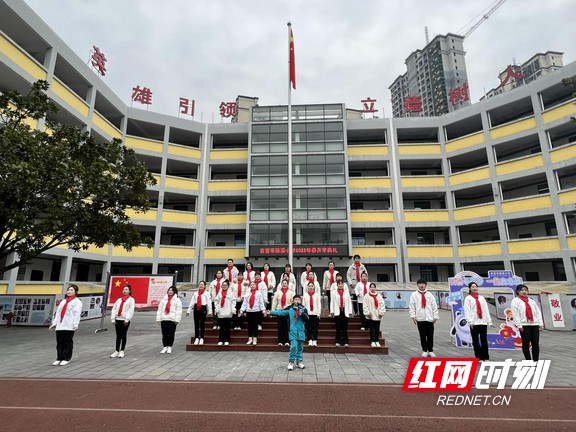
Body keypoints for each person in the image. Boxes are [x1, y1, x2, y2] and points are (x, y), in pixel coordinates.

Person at [268, 295, 309, 370]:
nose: (297, 301)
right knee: (293, 346)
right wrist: (271, 312)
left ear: (300, 301)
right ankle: (291, 362)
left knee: (300, 348)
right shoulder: (290, 309)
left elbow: (307, 318)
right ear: (293, 301)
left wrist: (301, 313)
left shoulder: (303, 309)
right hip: (293, 331)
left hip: (301, 331)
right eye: (295, 299)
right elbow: (281, 312)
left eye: (298, 300)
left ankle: (299, 361)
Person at [49, 284, 83, 366]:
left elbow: (77, 313)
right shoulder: (63, 301)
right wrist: (54, 323)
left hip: (69, 325)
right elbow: (58, 313)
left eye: (71, 290)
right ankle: (59, 358)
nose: (69, 291)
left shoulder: (77, 302)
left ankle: (66, 358)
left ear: (75, 292)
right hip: (60, 325)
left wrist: (76, 323)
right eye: (68, 290)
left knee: (67, 342)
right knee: (59, 342)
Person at [511, 284, 544, 361]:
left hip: (534, 324)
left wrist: (540, 323)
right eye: (522, 290)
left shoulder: (531, 301)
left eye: (526, 290)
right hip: (524, 325)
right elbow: (515, 314)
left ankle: (536, 360)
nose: (524, 292)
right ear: (518, 291)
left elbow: (538, 312)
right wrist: (519, 325)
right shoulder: (515, 301)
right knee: (526, 343)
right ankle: (528, 360)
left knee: (535, 343)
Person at [409, 279, 439, 357]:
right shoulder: (414, 295)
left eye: (423, 284)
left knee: (430, 335)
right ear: (417, 285)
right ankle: (424, 350)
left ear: (425, 285)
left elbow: (434, 306)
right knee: (422, 335)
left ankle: (431, 350)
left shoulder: (429, 295)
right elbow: (412, 306)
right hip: (420, 318)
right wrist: (413, 316)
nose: (421, 285)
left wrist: (435, 316)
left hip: (429, 318)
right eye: (420, 284)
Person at [463, 282, 493, 361]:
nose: (474, 288)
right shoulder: (468, 298)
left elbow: (486, 309)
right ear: (470, 288)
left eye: (476, 286)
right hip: (474, 322)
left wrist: (489, 321)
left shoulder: (481, 298)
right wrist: (470, 322)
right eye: (472, 287)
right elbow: (467, 310)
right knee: (475, 340)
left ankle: (485, 357)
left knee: (484, 340)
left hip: (483, 321)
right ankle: (479, 357)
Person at [110, 284, 135, 358]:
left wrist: (127, 319)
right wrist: (113, 318)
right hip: (118, 319)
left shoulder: (131, 300)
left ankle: (122, 350)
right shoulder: (119, 300)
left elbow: (131, 310)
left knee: (123, 335)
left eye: (126, 289)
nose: (124, 291)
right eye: (123, 289)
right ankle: (116, 350)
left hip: (124, 320)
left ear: (129, 291)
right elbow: (114, 309)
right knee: (118, 335)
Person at [156, 285, 182, 354]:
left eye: (171, 290)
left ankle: (170, 346)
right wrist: (158, 319)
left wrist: (177, 320)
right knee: (164, 334)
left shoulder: (177, 300)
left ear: (174, 292)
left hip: (172, 319)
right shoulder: (163, 300)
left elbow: (179, 311)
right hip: (164, 318)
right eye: (169, 290)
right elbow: (160, 309)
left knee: (171, 334)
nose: (170, 291)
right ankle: (165, 347)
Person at [186, 281, 212, 346]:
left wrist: (210, 311)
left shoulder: (207, 293)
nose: (201, 285)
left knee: (202, 324)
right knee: (196, 323)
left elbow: (208, 302)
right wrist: (189, 310)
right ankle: (197, 337)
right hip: (196, 308)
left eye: (202, 284)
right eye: (200, 284)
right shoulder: (195, 293)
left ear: (205, 286)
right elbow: (192, 302)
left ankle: (202, 338)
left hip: (203, 308)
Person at [330, 279, 353, 347]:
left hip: (345, 311)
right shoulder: (334, 293)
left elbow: (349, 302)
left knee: (345, 327)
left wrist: (350, 311)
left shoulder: (346, 292)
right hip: (338, 310)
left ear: (343, 285)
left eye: (342, 284)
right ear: (337, 285)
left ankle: (345, 341)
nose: (340, 285)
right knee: (338, 328)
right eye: (339, 284)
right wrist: (332, 311)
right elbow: (332, 302)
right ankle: (337, 341)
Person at [271, 278, 294, 346]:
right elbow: (274, 302)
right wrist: (273, 311)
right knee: (280, 326)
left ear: (287, 284)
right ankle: (280, 341)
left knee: (287, 326)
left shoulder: (291, 293)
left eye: (285, 283)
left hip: (287, 311)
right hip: (279, 310)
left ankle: (287, 341)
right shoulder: (277, 292)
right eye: (283, 283)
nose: (284, 285)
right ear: (281, 284)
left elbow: (292, 302)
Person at [363, 283, 386, 348]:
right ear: (369, 288)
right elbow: (365, 305)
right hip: (371, 315)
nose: (372, 288)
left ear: (375, 288)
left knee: (377, 329)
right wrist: (368, 313)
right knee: (371, 329)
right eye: (371, 287)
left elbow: (382, 305)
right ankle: (372, 341)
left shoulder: (379, 296)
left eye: (373, 287)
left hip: (377, 314)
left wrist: (381, 313)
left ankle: (377, 341)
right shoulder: (366, 296)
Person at [215, 280, 236, 346]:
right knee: (221, 327)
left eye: (225, 285)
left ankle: (227, 340)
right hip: (221, 312)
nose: (224, 286)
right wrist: (217, 309)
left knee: (227, 327)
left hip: (228, 312)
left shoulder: (231, 293)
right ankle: (221, 340)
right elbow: (216, 301)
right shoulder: (219, 293)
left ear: (228, 286)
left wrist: (233, 309)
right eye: (223, 285)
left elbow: (233, 302)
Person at [303, 281, 322, 346]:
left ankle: (315, 340)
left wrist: (319, 313)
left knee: (315, 327)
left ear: (314, 287)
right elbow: (303, 305)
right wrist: (304, 314)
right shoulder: (305, 295)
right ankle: (309, 339)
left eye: (312, 286)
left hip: (315, 313)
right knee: (308, 327)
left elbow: (319, 304)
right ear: (307, 287)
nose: (310, 287)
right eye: (309, 286)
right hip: (308, 313)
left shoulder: (316, 295)